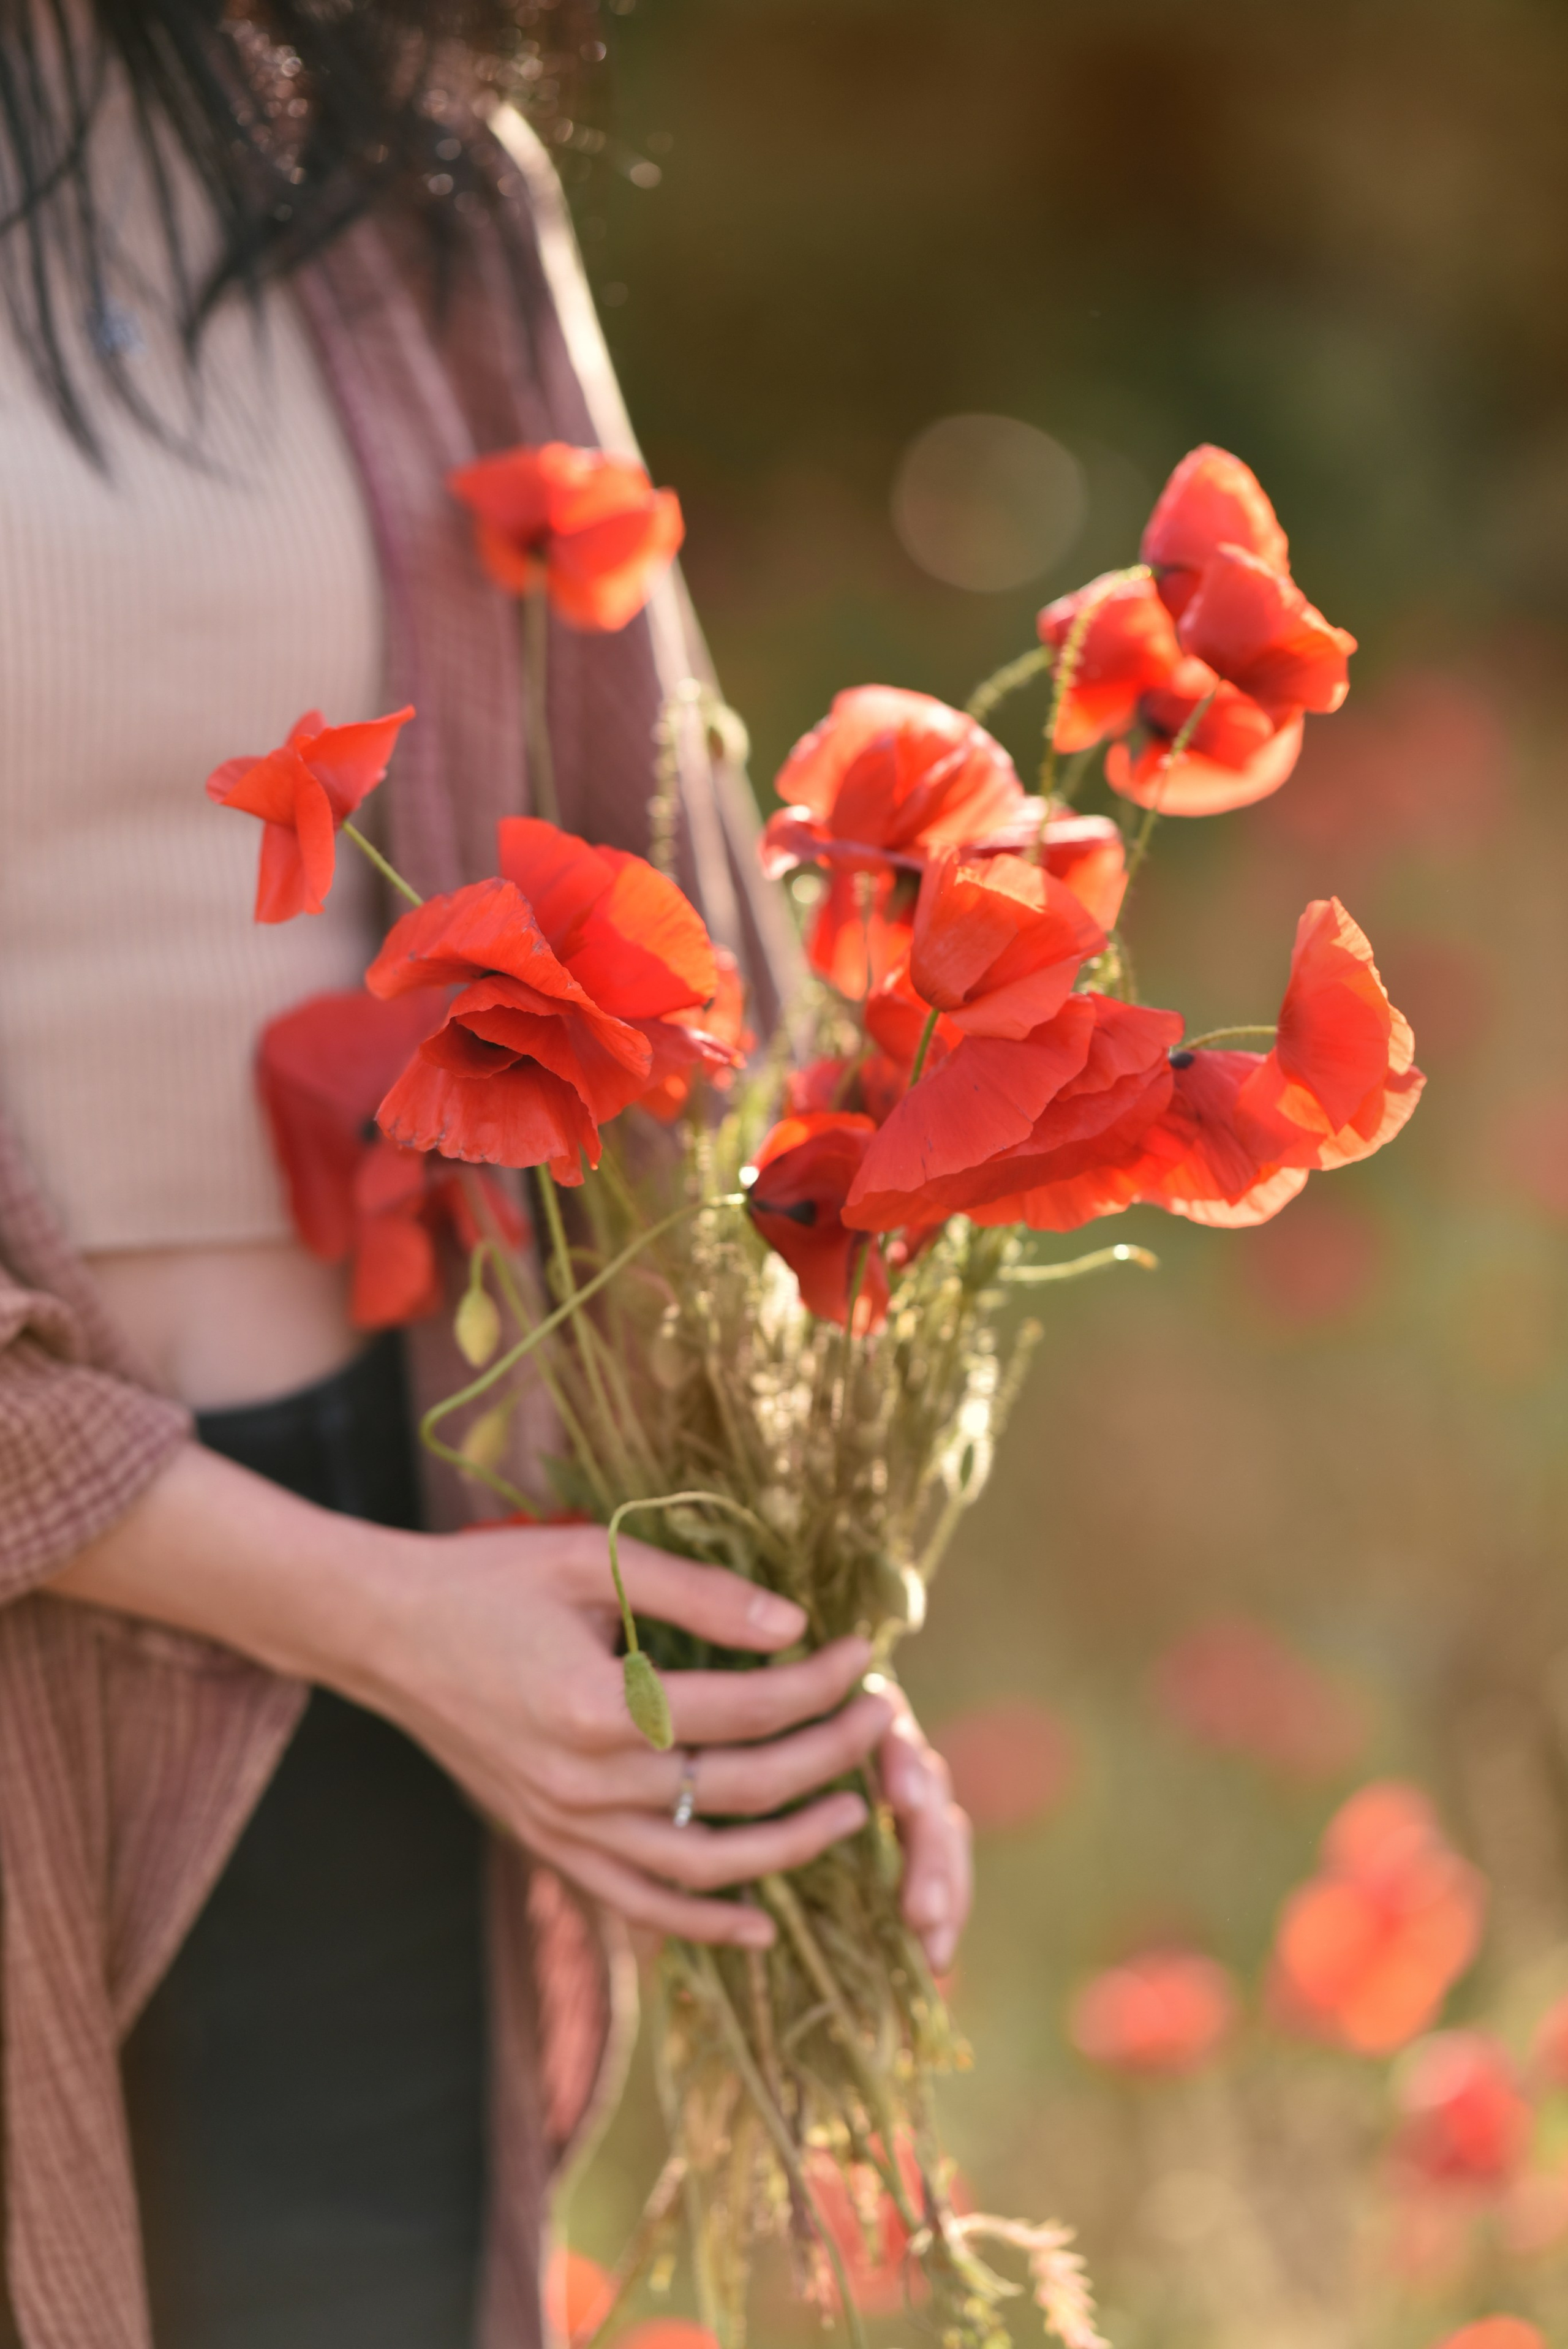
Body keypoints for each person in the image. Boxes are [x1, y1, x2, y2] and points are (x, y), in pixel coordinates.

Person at [0, 5, 972, 2347]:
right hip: (332, 1612)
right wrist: (361, 1610)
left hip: (414, 1574)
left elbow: (654, 894)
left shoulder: (386, 170)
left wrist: (766, 1617)